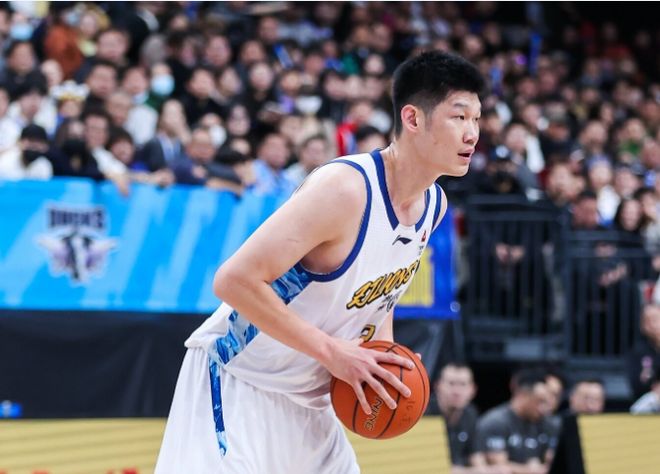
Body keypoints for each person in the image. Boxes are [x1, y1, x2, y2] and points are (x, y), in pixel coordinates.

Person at [155, 50, 484, 473]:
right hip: (240, 383)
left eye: (477, 119)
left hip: (311, 403)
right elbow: (233, 281)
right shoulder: (346, 188)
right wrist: (333, 352)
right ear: (413, 119)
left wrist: (382, 359)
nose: (472, 133)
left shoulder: (433, 205)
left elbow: (381, 295)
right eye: (459, 117)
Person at [431, 363, 509, 474]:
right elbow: (433, 468)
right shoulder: (424, 414)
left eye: (463, 384)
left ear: (473, 390)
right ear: (437, 386)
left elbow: (476, 455)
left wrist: (488, 470)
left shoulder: (470, 413)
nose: (457, 391)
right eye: (451, 384)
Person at [474, 369, 556, 474]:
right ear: (523, 396)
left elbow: (550, 457)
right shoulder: (496, 422)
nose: (543, 408)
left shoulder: (544, 423)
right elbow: (499, 466)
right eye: (539, 401)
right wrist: (533, 470)